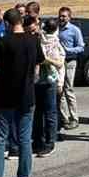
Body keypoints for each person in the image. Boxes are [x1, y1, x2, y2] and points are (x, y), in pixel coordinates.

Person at [0, 9, 41, 177]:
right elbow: (38, 64)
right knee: (25, 140)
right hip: (26, 96)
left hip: (5, 98)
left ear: (7, 24)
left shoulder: (2, 42)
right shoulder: (33, 40)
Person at [35, 18, 65, 156]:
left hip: (49, 81)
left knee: (50, 113)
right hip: (37, 81)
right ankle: (38, 141)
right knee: (38, 113)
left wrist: (60, 82)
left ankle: (50, 142)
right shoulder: (39, 40)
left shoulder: (56, 43)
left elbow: (60, 64)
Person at [56, 6, 85, 130]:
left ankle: (74, 118)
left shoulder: (74, 30)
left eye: (64, 16)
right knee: (60, 91)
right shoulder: (56, 29)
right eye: (60, 15)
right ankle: (64, 118)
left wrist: (68, 50)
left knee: (68, 90)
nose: (61, 18)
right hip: (58, 63)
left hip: (70, 62)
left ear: (69, 17)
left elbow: (81, 47)